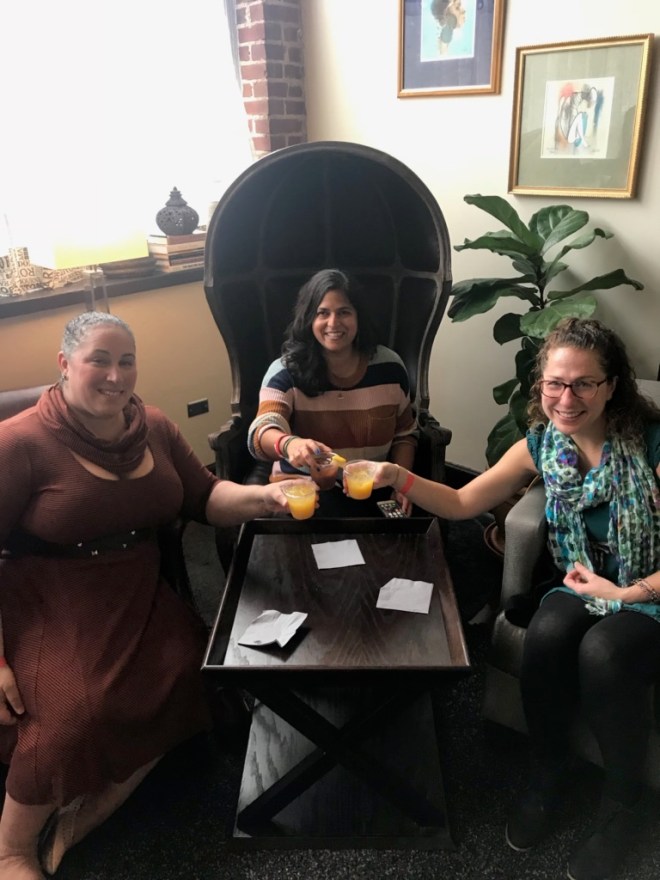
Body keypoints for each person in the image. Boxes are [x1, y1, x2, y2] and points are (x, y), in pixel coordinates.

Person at [0, 311, 302, 880]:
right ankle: (12, 849)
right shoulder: (19, 443)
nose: (116, 376)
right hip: (50, 593)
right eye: (99, 360)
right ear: (65, 365)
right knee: (73, 718)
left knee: (188, 674)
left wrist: (269, 497)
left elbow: (207, 497)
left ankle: (76, 821)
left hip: (136, 586)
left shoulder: (154, 426)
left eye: (126, 361)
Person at [368, 317, 660, 880]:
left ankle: (623, 803)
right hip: (582, 578)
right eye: (555, 383)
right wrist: (392, 476)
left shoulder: (651, 444)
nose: (566, 398)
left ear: (611, 386)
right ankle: (548, 771)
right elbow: (459, 502)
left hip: (647, 589)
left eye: (583, 384)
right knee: (545, 636)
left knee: (604, 653)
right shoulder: (543, 446)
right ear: (540, 385)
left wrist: (623, 592)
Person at [247, 268, 418, 515]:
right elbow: (261, 430)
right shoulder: (285, 371)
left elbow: (405, 434)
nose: (333, 323)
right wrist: (288, 444)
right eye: (322, 313)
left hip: (373, 491)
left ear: (359, 317)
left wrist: (403, 485)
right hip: (301, 494)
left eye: (344, 312)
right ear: (309, 320)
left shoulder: (390, 367)